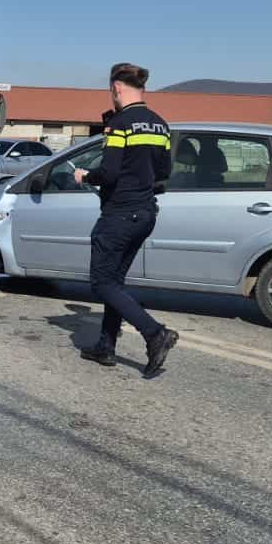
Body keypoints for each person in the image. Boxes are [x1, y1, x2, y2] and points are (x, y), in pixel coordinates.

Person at [72, 63, 178, 376]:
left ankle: (155, 333)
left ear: (117, 88)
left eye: (111, 91)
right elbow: (163, 172)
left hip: (119, 213)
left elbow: (109, 173)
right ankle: (105, 346)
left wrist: (85, 176)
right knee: (114, 282)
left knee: (101, 282)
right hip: (145, 213)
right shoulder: (160, 125)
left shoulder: (120, 125)